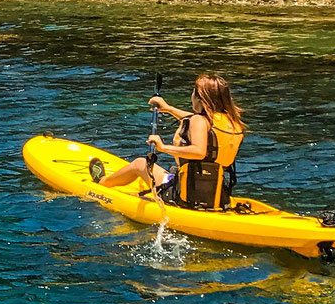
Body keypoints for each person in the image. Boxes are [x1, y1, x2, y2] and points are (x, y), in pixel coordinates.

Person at [96, 74, 247, 210]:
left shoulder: (198, 121)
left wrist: (163, 147)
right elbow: (196, 122)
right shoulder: (232, 123)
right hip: (217, 198)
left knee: (140, 164)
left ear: (200, 98)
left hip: (185, 196)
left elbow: (199, 151)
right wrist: (168, 109)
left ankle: (101, 183)